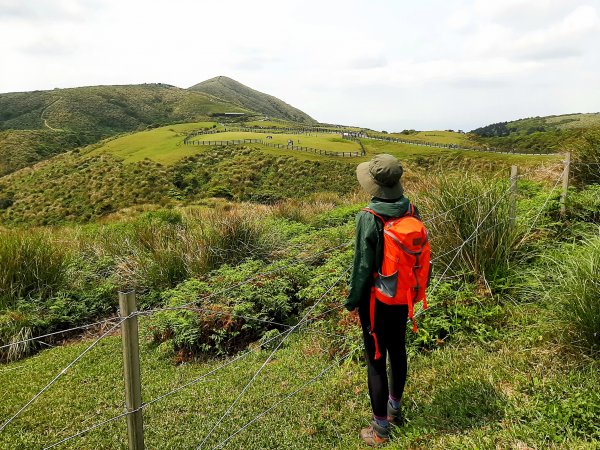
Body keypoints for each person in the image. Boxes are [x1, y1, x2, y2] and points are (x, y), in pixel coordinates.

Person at [345, 153, 419, 446]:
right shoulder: (412, 209)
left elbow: (362, 267)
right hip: (403, 293)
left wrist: (353, 302)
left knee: (376, 358)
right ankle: (395, 410)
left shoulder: (368, 216)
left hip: (376, 301)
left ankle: (379, 430)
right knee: (398, 349)